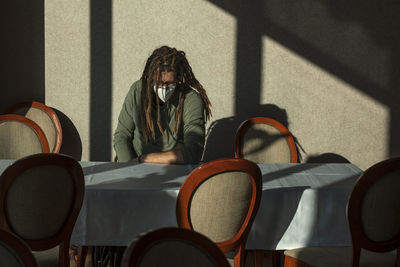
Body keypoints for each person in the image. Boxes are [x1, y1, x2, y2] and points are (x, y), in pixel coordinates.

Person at [113, 46, 212, 164]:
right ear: (150, 77)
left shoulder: (190, 99)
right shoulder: (138, 91)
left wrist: (144, 159)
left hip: (177, 168)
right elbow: (122, 136)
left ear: (178, 78)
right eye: (158, 82)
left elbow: (193, 152)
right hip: (136, 167)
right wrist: (129, 165)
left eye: (169, 83)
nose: (164, 88)